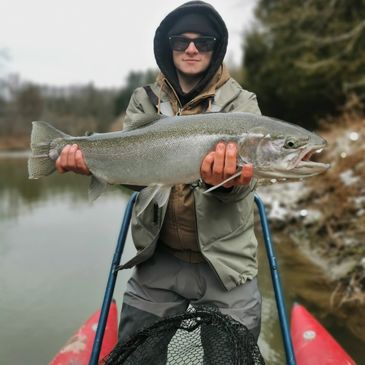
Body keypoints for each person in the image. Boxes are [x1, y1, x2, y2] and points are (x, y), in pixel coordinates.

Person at [56, 0, 262, 345]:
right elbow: (139, 173)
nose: (192, 48)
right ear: (168, 46)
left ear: (218, 47)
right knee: (138, 351)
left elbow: (247, 183)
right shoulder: (144, 99)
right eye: (181, 41)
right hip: (158, 260)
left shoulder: (242, 104)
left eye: (204, 42)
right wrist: (95, 164)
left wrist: (225, 184)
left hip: (228, 265)